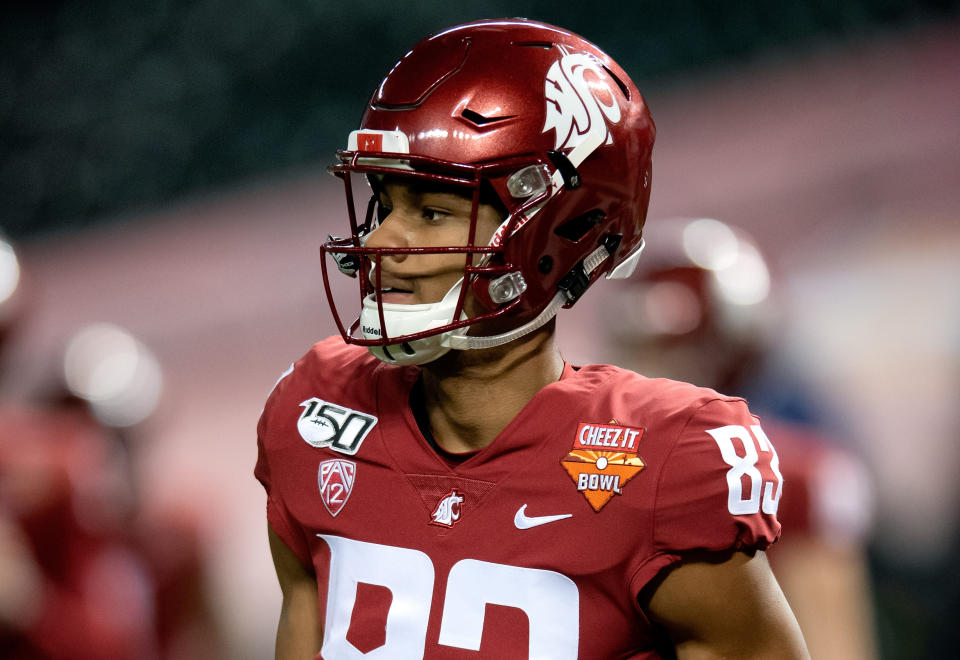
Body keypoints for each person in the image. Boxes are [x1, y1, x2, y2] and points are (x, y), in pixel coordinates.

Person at [256, 18, 808, 659]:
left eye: (432, 211)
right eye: (384, 204)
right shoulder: (314, 410)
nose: (381, 242)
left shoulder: (666, 461)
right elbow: (303, 622)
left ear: (557, 229)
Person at [601, 217, 877, 659]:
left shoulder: (798, 476)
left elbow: (833, 646)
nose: (663, 374)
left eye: (681, 353)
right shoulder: (591, 460)